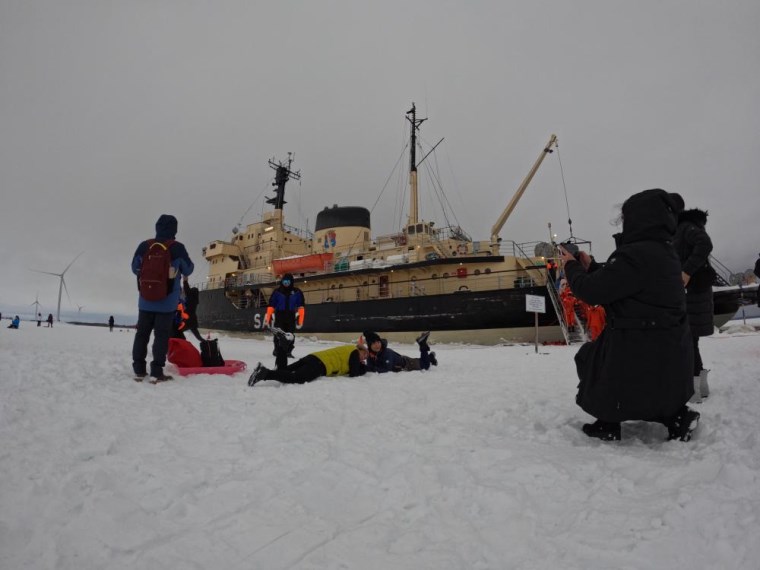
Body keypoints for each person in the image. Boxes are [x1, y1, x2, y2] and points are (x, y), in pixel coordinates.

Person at [559, 188, 699, 442]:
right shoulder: (663, 251)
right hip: (667, 343)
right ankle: (675, 416)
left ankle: (608, 420)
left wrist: (570, 265)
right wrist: (593, 268)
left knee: (593, 361)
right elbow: (625, 283)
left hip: (638, 341)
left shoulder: (635, 254)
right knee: (645, 375)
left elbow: (591, 291)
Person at [131, 214, 194, 383]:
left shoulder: (145, 246)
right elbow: (188, 269)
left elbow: (134, 267)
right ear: (175, 229)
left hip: (145, 300)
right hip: (167, 302)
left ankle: (138, 370)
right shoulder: (177, 248)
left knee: (142, 334)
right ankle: (156, 372)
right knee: (161, 336)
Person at [673, 203, 715, 403]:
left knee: (687, 341)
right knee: (692, 341)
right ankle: (701, 387)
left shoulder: (685, 228)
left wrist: (686, 271)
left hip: (691, 295)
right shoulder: (690, 227)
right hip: (698, 293)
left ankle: (694, 390)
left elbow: (705, 244)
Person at [248, 337, 368, 386]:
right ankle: (264, 373)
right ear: (360, 350)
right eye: (364, 355)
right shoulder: (354, 352)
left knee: (285, 370)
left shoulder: (347, 349)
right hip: (320, 364)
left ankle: (282, 347)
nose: (363, 358)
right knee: (298, 378)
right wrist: (364, 368)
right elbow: (354, 373)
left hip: (312, 357)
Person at [264, 273, 305, 369]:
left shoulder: (297, 292)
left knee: (290, 334)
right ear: (282, 282)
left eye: (288, 282)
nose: (286, 283)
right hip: (280, 315)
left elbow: (301, 306)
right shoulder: (277, 292)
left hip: (291, 315)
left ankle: (288, 351)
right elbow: (271, 305)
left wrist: (301, 319)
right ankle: (277, 351)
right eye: (284, 282)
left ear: (291, 282)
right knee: (279, 334)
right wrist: (268, 317)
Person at [363, 330, 437, 372]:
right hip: (401, 360)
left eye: (378, 342)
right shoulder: (370, 355)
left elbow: (387, 369)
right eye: (374, 343)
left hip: (408, 364)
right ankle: (431, 357)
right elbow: (370, 366)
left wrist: (370, 368)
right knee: (422, 360)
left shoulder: (386, 353)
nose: (377, 345)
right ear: (369, 346)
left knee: (425, 365)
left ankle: (422, 343)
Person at [173, 278, 203, 342]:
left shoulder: (190, 298)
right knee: (198, 336)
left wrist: (185, 281)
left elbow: (187, 289)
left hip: (187, 320)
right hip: (193, 320)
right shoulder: (195, 300)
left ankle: (182, 344)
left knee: (177, 331)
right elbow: (187, 290)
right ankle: (207, 343)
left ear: (192, 292)